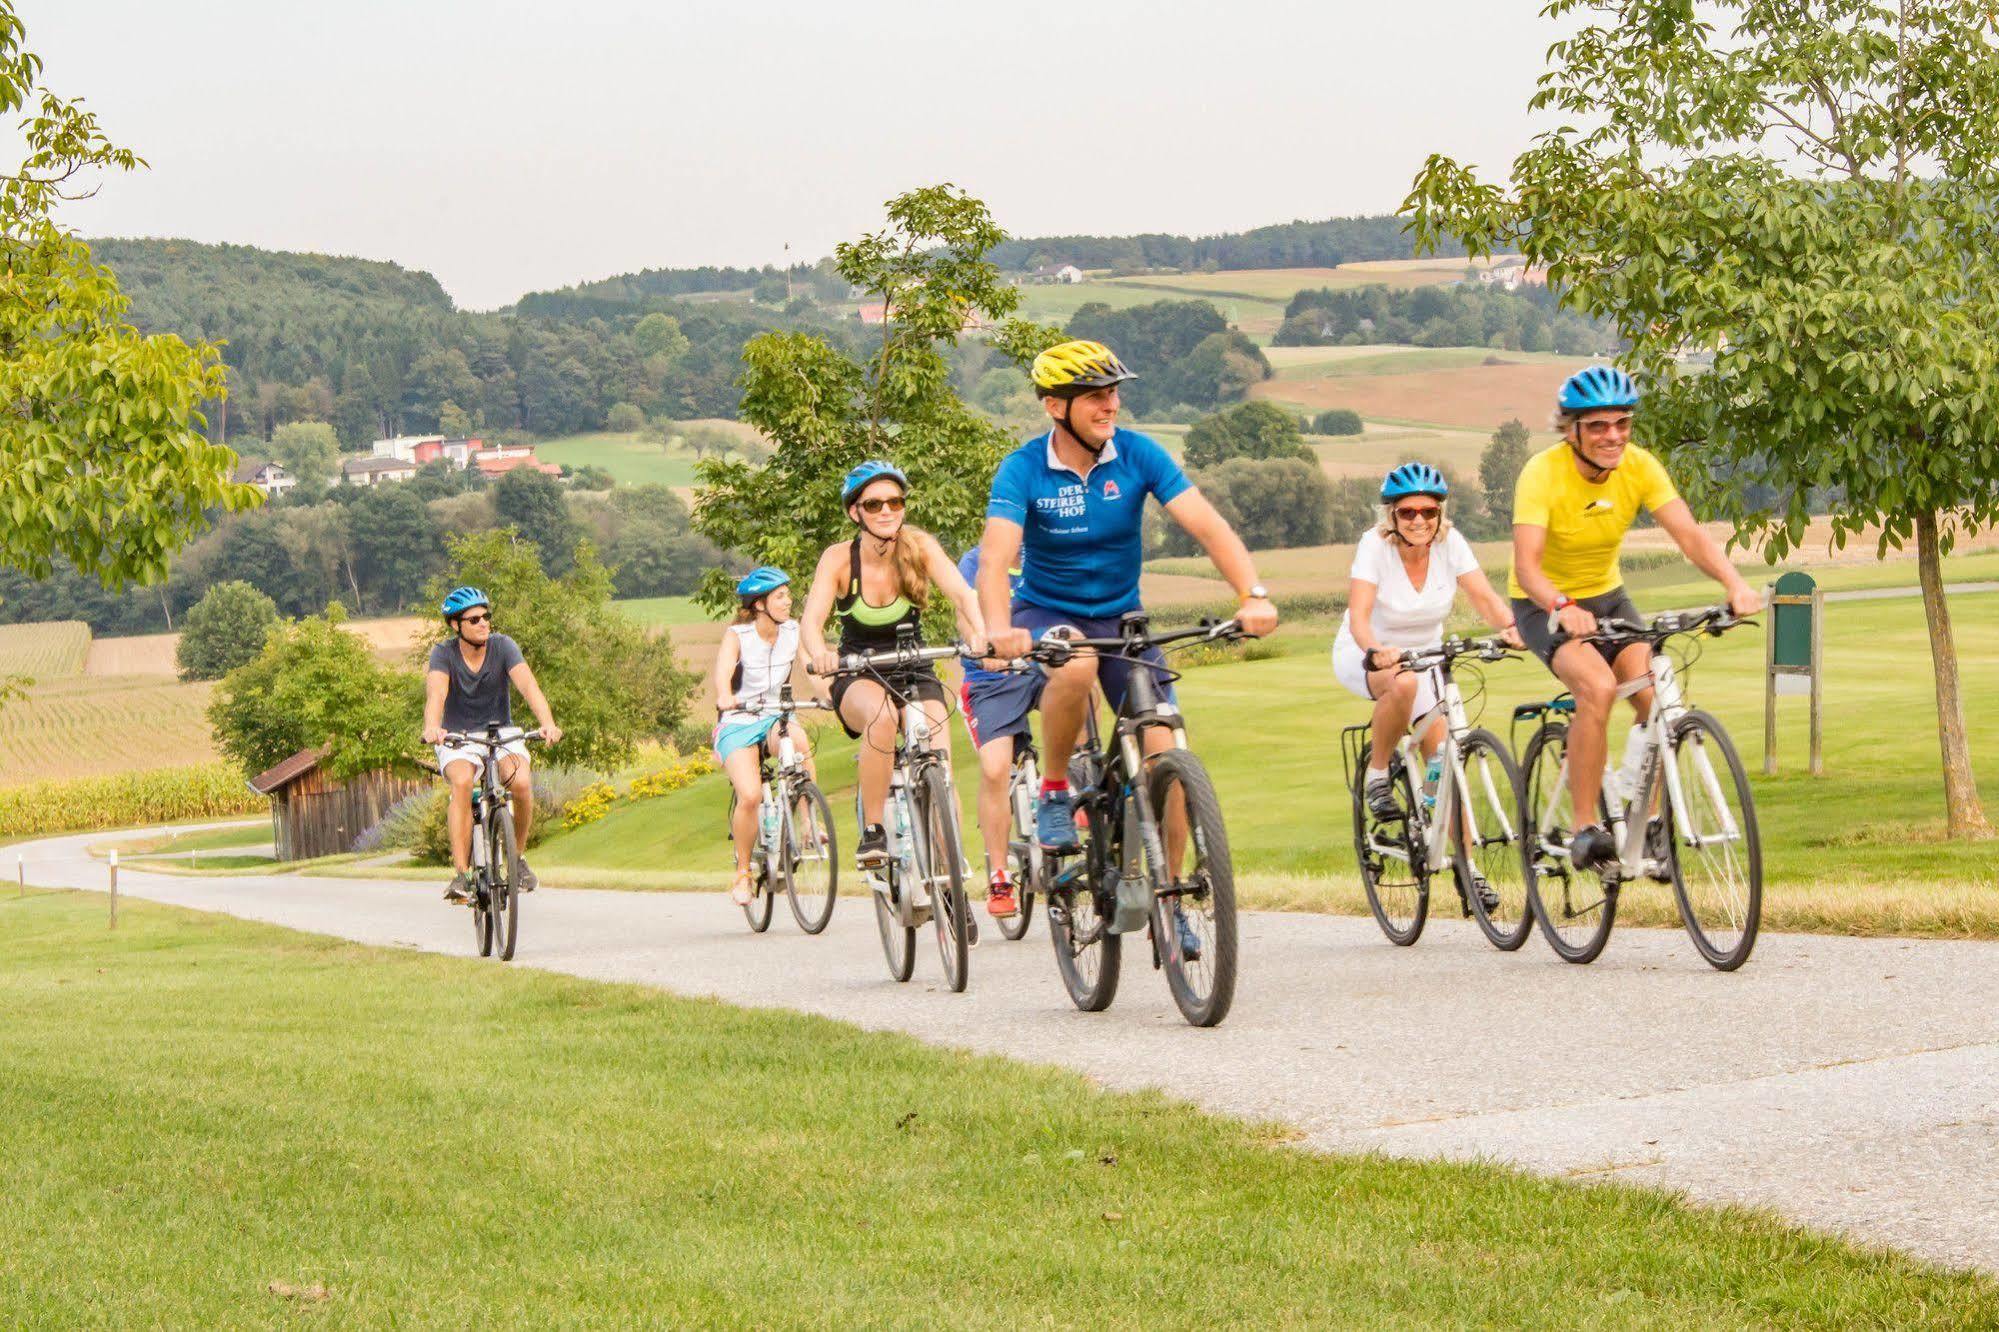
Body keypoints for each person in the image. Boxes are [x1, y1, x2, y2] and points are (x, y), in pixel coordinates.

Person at [978, 339, 1280, 868]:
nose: (1110, 405)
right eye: (1094, 395)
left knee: (1169, 754)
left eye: (1113, 392)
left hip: (1122, 618)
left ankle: (1173, 900)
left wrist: (1252, 596)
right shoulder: (1022, 469)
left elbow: (1209, 527)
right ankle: (1053, 790)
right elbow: (994, 560)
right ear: (1055, 406)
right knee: (1076, 663)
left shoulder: (1139, 454)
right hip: (1048, 612)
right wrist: (999, 630)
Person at [1510, 366, 1762, 871]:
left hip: (1609, 598)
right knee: (1598, 689)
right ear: (1572, 429)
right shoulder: (1542, 473)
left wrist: (1734, 584)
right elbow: (1527, 567)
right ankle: (1585, 826)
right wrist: (1563, 608)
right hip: (1545, 605)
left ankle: (1644, 821)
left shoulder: (1640, 466)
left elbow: (1689, 534)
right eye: (1600, 426)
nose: (1613, 436)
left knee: (1657, 699)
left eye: (1622, 423)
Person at [1333, 464, 1522, 910]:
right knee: (1402, 684)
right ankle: (1379, 773)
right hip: (1370, 653)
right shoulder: (1374, 546)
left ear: (1440, 514)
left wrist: (1513, 627)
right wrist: (1376, 649)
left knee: (1445, 760)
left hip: (1427, 654)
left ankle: (1467, 868)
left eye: (1429, 511)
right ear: (1392, 516)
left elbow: (1484, 598)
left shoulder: (1450, 543)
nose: (1419, 520)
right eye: (1408, 512)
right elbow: (1359, 615)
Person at [800, 461, 988, 870]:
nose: (886, 511)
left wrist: (981, 634)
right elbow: (811, 624)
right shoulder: (838, 559)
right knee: (882, 718)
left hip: (913, 664)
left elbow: (963, 594)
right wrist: (820, 653)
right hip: (857, 670)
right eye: (874, 504)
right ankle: (873, 833)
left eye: (895, 501)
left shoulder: (919, 547)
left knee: (940, 756)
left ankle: (949, 861)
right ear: (855, 512)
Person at [420, 587, 563, 903]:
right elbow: (436, 695)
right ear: (456, 625)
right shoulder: (443, 654)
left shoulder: (504, 647)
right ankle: (463, 873)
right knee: (461, 781)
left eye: (486, 616)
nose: (484, 623)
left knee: (522, 782)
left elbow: (529, 686)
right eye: (474, 619)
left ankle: (518, 859)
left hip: (501, 735)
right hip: (459, 737)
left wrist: (548, 723)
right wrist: (432, 727)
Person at [712, 566, 818, 907]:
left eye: (788, 594)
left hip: (775, 715)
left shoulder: (793, 630)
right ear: (760, 605)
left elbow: (809, 665)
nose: (789, 601)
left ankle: (808, 823)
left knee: (799, 741)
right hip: (739, 719)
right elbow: (723, 672)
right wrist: (725, 694)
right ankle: (743, 873)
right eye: (780, 596)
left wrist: (828, 692)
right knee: (750, 795)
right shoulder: (737, 635)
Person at [956, 545, 1039, 920]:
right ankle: (1000, 875)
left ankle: (1075, 784)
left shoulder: (1047, 552)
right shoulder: (978, 560)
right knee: (995, 768)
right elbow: (965, 612)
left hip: (1039, 666)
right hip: (991, 679)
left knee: (1081, 689)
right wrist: (980, 643)